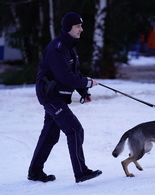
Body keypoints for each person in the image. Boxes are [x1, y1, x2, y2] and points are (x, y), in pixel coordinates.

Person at [28, 12, 102, 183]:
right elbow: (65, 77)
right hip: (50, 96)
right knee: (75, 130)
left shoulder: (70, 47)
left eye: (81, 26)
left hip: (58, 96)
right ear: (68, 28)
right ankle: (81, 172)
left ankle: (35, 172)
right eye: (78, 26)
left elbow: (73, 73)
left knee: (50, 135)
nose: (81, 30)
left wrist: (83, 91)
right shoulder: (57, 48)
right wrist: (87, 83)